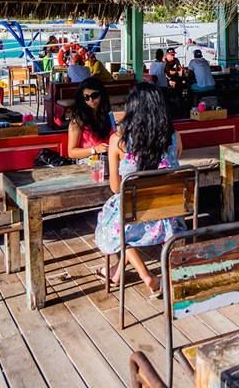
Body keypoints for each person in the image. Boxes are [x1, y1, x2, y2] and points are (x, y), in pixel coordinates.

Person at [94, 83, 183, 291]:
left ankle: (145, 275)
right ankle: (115, 272)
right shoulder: (174, 137)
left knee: (114, 226)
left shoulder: (118, 141)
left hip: (134, 216)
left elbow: (116, 188)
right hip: (169, 217)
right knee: (127, 222)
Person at [67, 77, 112, 160]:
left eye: (94, 95)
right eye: (86, 97)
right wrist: (94, 149)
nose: (91, 100)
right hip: (88, 163)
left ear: (102, 94)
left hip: (107, 159)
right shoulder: (78, 121)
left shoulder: (107, 115)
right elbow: (71, 152)